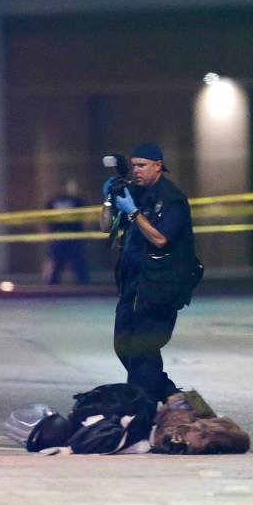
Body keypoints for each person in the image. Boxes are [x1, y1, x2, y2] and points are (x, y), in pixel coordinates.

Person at [99, 142, 196, 403]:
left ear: (158, 166)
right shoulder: (136, 194)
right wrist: (108, 200)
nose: (136, 171)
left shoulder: (172, 199)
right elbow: (105, 227)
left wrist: (133, 212)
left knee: (142, 350)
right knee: (123, 345)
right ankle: (172, 395)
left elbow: (161, 238)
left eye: (142, 165)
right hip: (133, 284)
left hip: (160, 286)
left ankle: (144, 406)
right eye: (133, 165)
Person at [44, 178, 91, 284]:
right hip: (61, 237)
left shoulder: (78, 201)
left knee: (79, 266)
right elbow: (46, 220)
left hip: (71, 237)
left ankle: (84, 287)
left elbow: (85, 220)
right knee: (56, 266)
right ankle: (52, 287)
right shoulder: (54, 201)